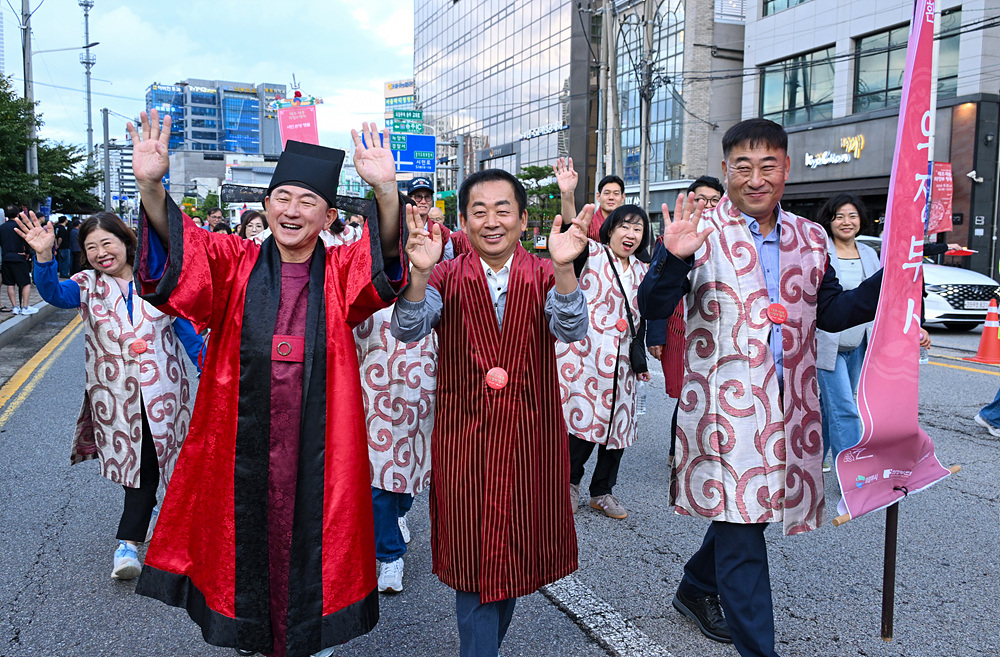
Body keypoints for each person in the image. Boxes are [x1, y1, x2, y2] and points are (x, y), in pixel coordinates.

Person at [127, 110, 406, 657]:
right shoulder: (233, 262)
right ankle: (249, 632)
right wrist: (150, 187)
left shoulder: (343, 269)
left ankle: (313, 638)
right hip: (241, 440)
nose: (292, 210)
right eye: (283, 198)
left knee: (315, 544)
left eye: (308, 202)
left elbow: (385, 268)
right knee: (242, 546)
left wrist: (388, 193)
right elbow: (180, 257)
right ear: (266, 205)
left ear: (328, 217)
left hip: (318, 444)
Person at [638, 118, 883, 657]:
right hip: (724, 410)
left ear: (786, 169)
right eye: (742, 167)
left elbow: (833, 311)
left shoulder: (810, 236)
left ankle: (695, 587)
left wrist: (889, 281)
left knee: (748, 514)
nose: (755, 178)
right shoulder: (700, 231)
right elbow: (653, 307)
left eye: (767, 165)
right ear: (726, 171)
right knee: (746, 536)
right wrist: (671, 258)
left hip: (790, 405)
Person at [391, 168, 592, 657]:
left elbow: (571, 329)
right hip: (467, 437)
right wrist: (417, 275)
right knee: (476, 561)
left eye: (504, 210)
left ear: (524, 220)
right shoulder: (444, 272)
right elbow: (408, 328)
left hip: (531, 435)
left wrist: (566, 269)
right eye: (478, 211)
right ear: (463, 221)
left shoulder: (545, 272)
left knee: (512, 557)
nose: (492, 221)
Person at [13, 209, 203, 580]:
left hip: (165, 391)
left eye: (107, 243)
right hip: (115, 396)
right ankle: (145, 514)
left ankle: (127, 544)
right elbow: (53, 293)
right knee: (137, 462)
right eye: (91, 247)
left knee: (150, 462)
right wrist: (44, 256)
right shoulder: (85, 284)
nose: (101, 252)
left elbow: (189, 335)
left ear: (126, 242)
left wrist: (214, 372)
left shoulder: (158, 281)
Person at [355, 198, 450, 595]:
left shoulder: (433, 275)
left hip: (420, 395)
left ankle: (398, 515)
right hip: (369, 399)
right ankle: (389, 558)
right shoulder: (353, 274)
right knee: (377, 482)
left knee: (407, 478)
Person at [814, 194, 880, 464]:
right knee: (845, 409)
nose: (846, 222)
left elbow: (880, 297)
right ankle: (854, 475)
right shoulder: (819, 251)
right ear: (829, 221)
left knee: (832, 410)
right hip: (828, 344)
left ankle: (812, 462)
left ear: (861, 220)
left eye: (852, 216)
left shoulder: (868, 252)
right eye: (839, 216)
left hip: (858, 344)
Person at [646, 176, 726, 396]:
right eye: (701, 199)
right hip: (679, 328)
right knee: (685, 394)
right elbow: (658, 289)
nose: (707, 205)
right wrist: (655, 336)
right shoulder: (669, 241)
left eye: (714, 200)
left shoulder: (732, 241)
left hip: (721, 331)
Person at [1, 204, 37, 315]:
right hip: (19, 257)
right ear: (18, 214)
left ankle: (15, 307)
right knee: (25, 283)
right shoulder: (21, 226)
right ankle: (25, 307)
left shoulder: (1, 227)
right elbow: (27, 241)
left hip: (6, 258)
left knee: (10, 284)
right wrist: (27, 253)